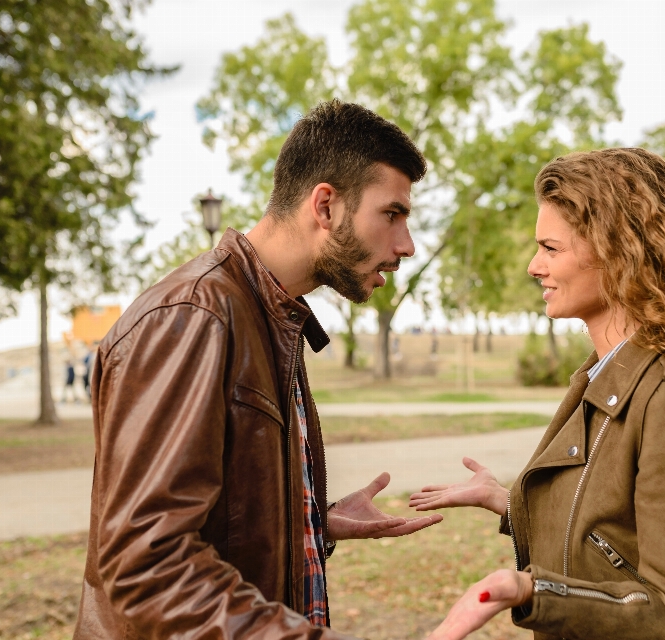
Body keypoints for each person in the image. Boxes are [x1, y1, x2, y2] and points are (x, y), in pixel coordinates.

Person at [73, 100, 444, 639]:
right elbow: (145, 564)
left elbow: (220, 520)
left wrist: (313, 524)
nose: (405, 246)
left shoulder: (270, 315)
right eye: (392, 214)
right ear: (325, 206)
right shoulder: (194, 317)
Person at [415, 148, 665, 640]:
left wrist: (530, 592)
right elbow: (609, 536)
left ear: (620, 253)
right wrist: (509, 504)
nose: (533, 266)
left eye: (551, 248)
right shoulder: (606, 375)